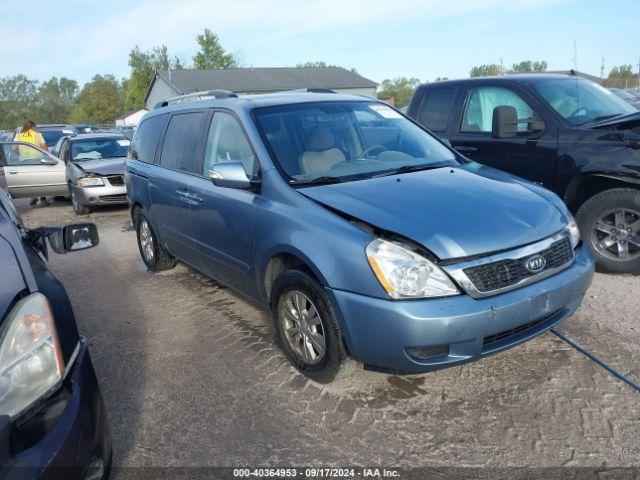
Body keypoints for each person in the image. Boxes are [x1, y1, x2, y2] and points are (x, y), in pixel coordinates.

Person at [14, 121, 49, 206]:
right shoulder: (38, 135)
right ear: (32, 127)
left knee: (30, 180)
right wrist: (47, 156)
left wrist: (19, 153)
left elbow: (14, 148)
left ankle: (33, 196)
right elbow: (44, 148)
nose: (36, 129)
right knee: (40, 180)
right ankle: (43, 199)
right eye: (35, 127)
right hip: (37, 160)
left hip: (25, 161)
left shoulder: (19, 136)